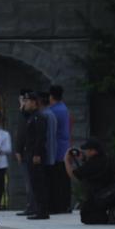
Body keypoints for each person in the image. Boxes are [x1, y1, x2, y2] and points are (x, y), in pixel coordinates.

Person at [64, 138, 115, 225]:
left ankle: (110, 217)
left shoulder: (93, 163)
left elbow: (74, 175)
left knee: (86, 215)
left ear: (93, 151)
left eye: (87, 150)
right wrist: (83, 159)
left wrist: (66, 160)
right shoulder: (105, 158)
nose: (85, 152)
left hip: (104, 196)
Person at [23, 92, 50, 219]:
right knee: (34, 182)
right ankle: (39, 209)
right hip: (30, 153)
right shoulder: (31, 116)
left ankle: (43, 211)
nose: (25, 104)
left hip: (36, 155)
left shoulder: (38, 117)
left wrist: (37, 153)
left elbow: (40, 137)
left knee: (39, 183)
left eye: (27, 101)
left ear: (34, 102)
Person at [49, 85, 72, 213]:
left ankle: (59, 205)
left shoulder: (54, 111)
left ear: (51, 96)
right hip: (64, 147)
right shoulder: (64, 108)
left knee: (57, 180)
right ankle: (65, 204)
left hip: (57, 150)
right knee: (64, 180)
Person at [14, 89, 37, 216]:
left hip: (26, 152)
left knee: (30, 181)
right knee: (28, 180)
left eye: (25, 101)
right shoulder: (23, 114)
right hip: (24, 151)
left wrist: (18, 150)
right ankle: (31, 205)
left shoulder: (26, 115)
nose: (23, 103)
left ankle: (32, 205)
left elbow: (22, 134)